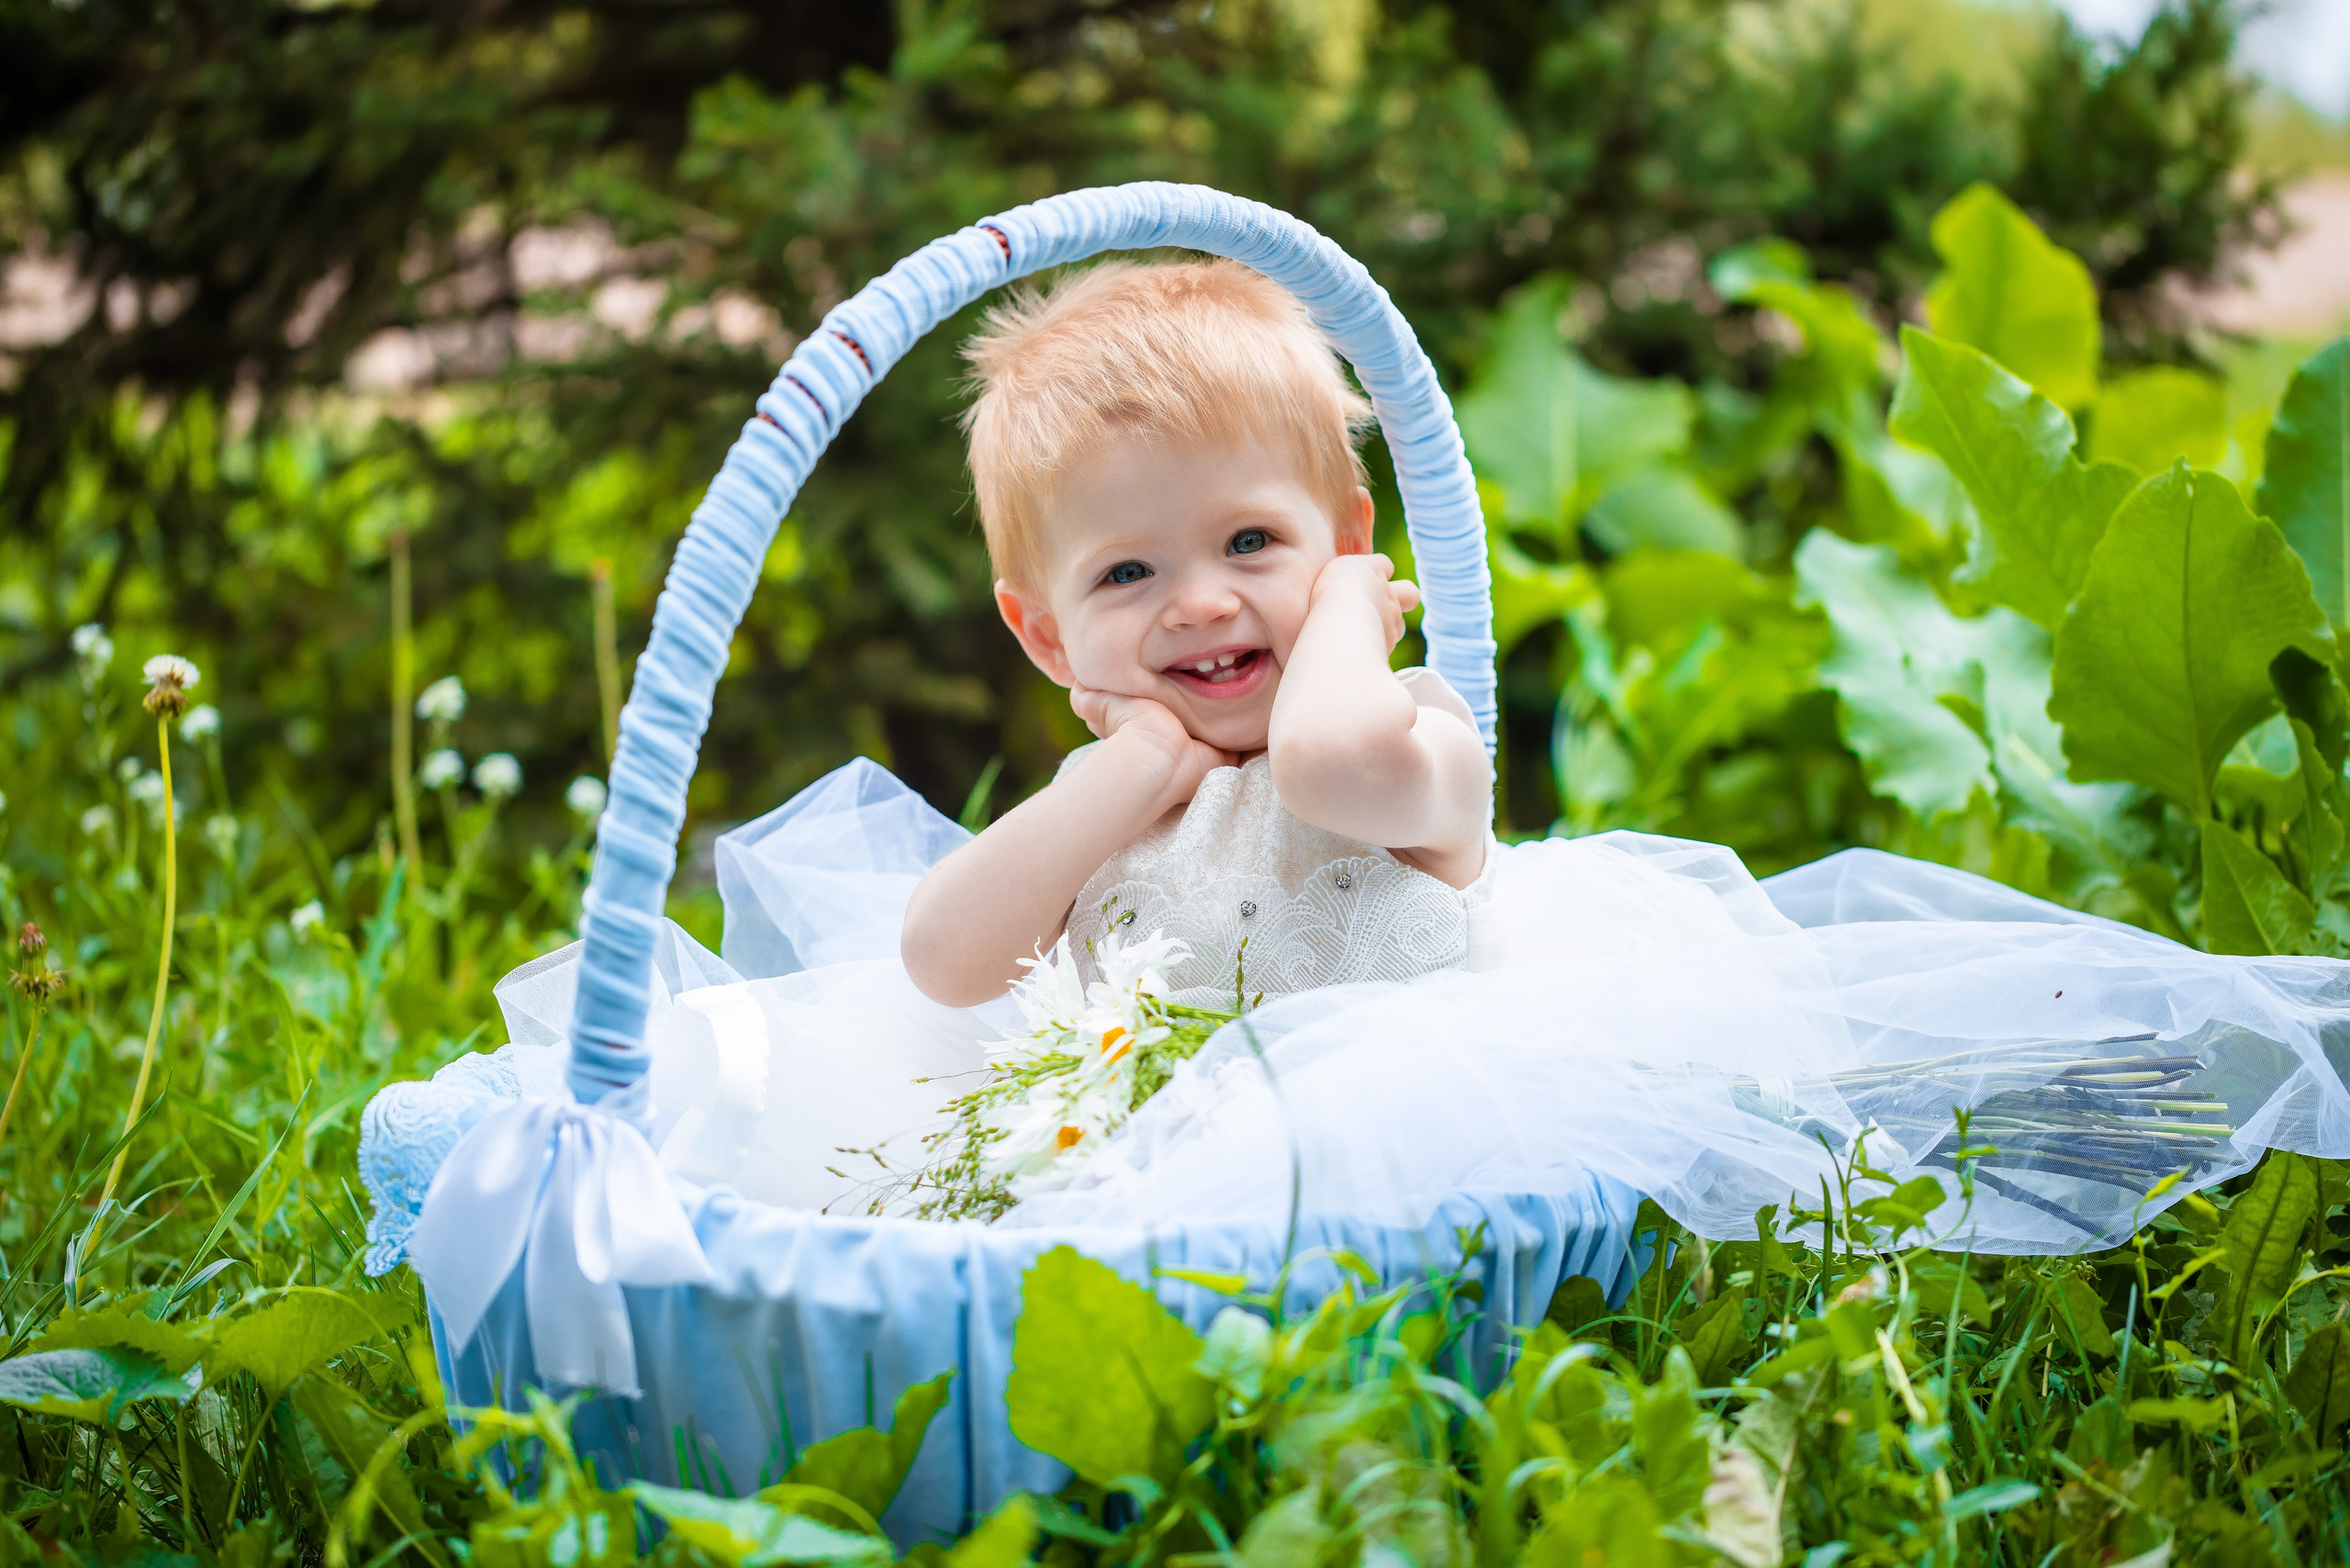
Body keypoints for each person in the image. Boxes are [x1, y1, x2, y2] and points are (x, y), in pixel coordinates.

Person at [487, 260, 2350, 1256]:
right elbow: (941, 961)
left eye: (1250, 544)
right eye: (1125, 573)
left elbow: (1331, 774)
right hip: (1137, 1145)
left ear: (1345, 531)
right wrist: (1092, 795)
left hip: (1416, 1133)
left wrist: (1349, 626)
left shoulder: (1402, 731)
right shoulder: (1116, 781)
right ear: (1043, 633)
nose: (1200, 602)